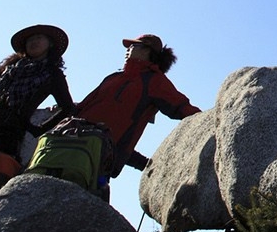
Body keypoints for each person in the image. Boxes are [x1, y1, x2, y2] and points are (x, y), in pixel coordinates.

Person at [75, 34, 200, 186]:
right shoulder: (113, 77)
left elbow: (181, 107)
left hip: (100, 157)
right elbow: (81, 107)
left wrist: (208, 119)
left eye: (134, 46)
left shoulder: (154, 80)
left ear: (148, 51)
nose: (128, 50)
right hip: (69, 141)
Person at [0, 24, 75, 159]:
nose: (33, 42)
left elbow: (67, 107)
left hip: (9, 134)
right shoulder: (11, 67)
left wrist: (38, 129)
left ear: (50, 44)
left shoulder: (52, 75)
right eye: (30, 40)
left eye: (39, 38)